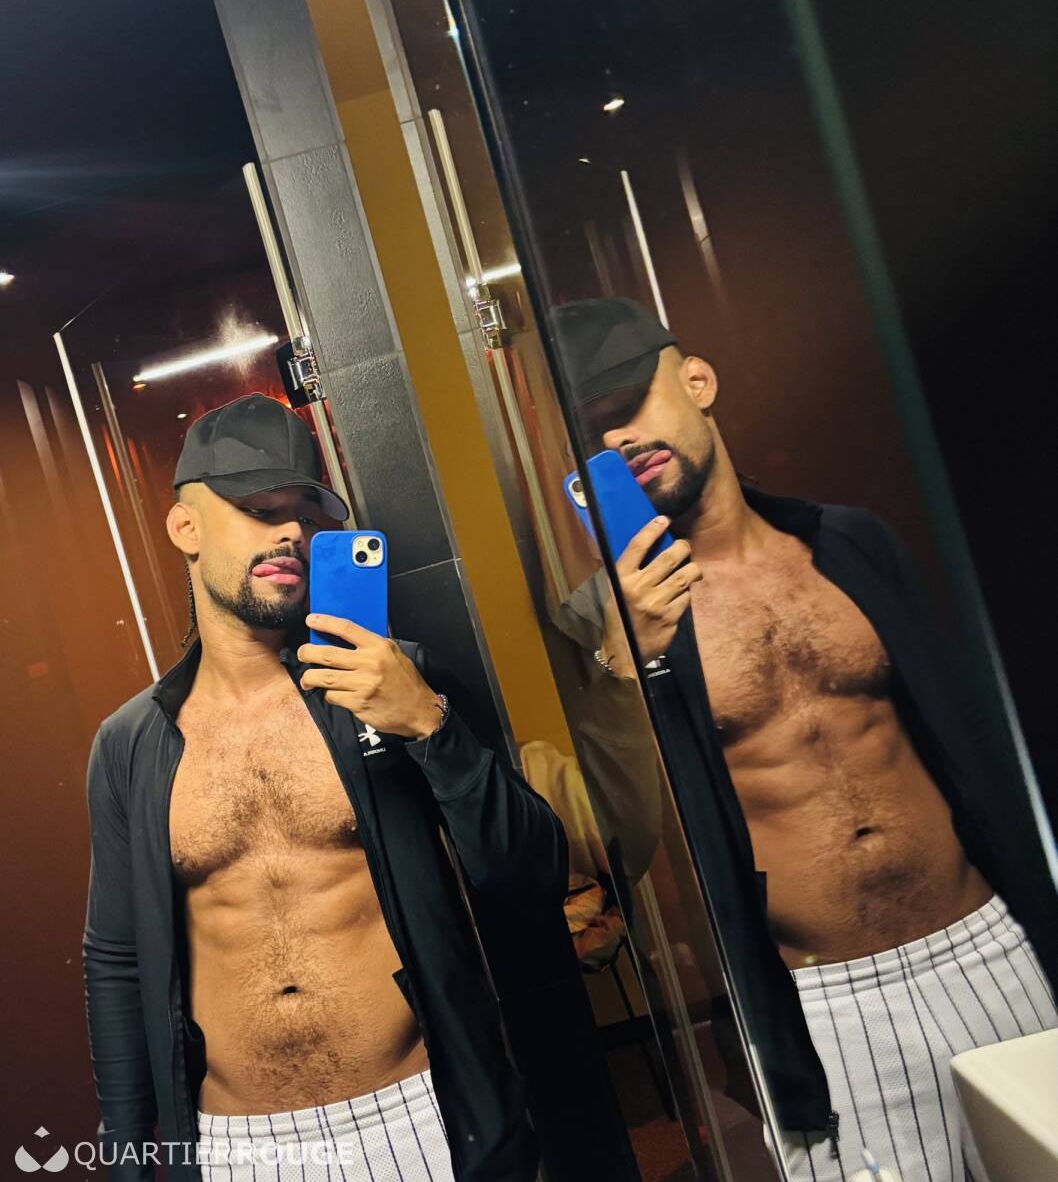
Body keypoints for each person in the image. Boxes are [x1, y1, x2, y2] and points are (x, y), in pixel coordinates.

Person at [550, 298, 1058, 1181]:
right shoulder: (609, 624)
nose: (620, 438)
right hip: (825, 1007)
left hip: (986, 947)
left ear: (697, 381)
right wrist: (629, 665)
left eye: (629, 403)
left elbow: (974, 736)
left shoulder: (847, 545)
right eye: (592, 431)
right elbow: (634, 836)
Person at [82, 392, 579, 1182]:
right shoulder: (130, 745)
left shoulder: (391, 685)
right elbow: (115, 960)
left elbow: (532, 878)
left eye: (304, 515)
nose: (290, 533)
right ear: (185, 528)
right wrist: (128, 1154)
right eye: (258, 510)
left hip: (415, 1116)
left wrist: (430, 725)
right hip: (237, 1146)